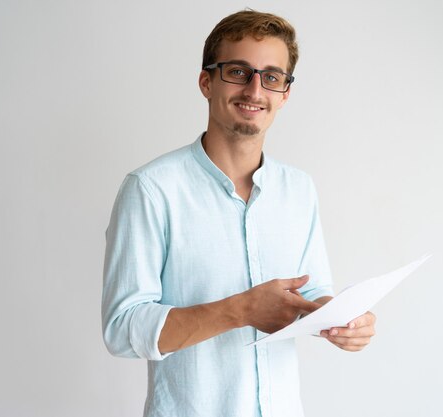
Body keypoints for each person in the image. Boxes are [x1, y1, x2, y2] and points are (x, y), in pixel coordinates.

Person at [102, 10, 376, 417]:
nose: (254, 89)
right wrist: (241, 310)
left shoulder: (298, 189)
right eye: (238, 71)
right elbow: (122, 329)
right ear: (206, 81)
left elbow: (313, 290)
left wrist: (344, 321)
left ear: (285, 93)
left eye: (271, 76)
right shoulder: (151, 190)